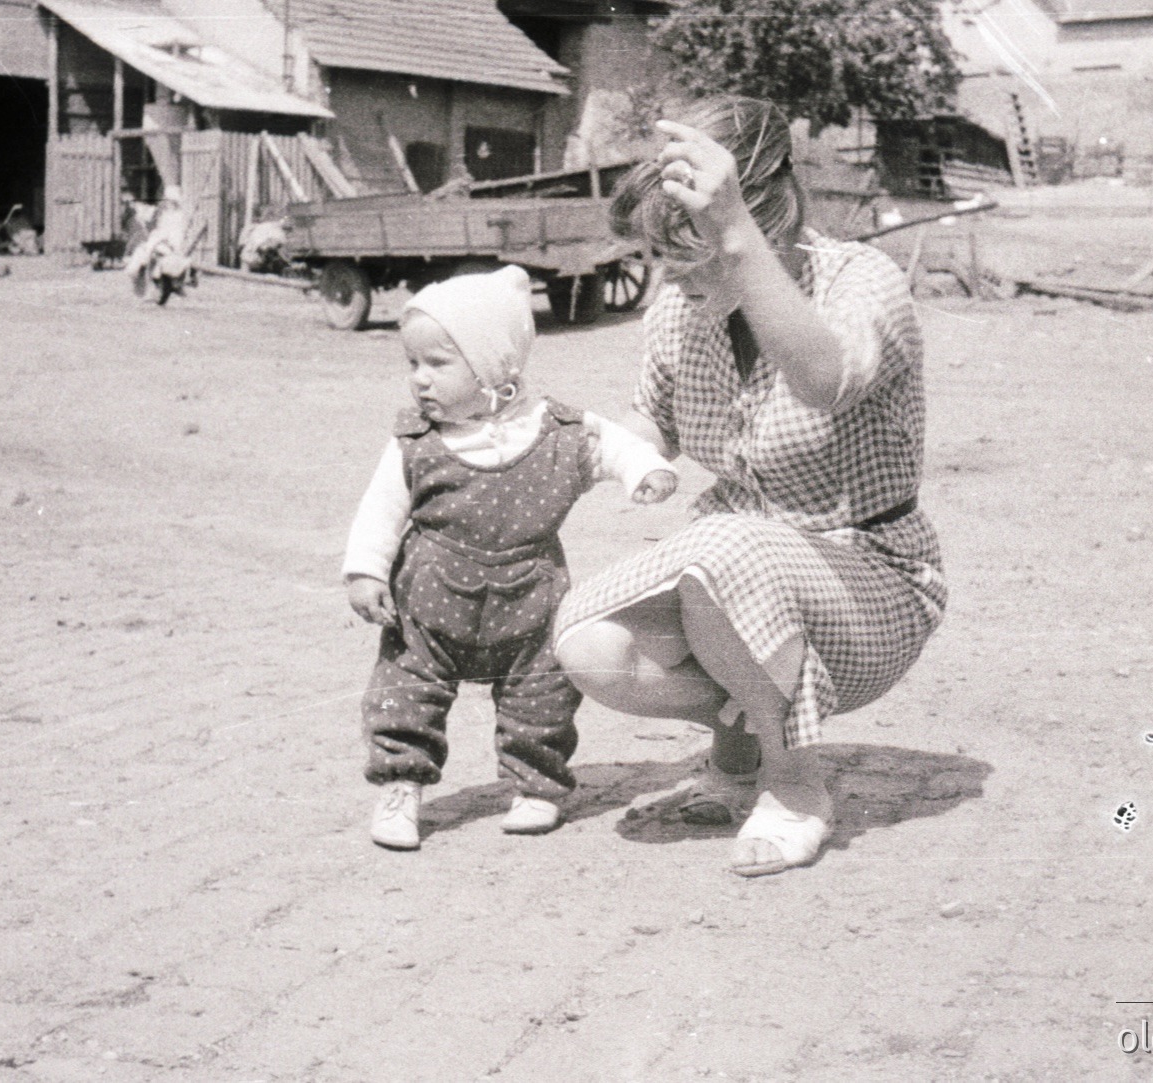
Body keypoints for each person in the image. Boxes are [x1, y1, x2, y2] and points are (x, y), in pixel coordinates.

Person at [553, 97, 947, 877]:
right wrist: (570, 449)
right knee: (590, 645)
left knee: (724, 547)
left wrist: (734, 238)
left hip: (872, 580)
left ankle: (796, 786)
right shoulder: (679, 310)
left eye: (687, 250)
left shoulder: (860, 282)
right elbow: (655, 420)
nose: (665, 275)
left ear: (753, 220)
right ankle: (733, 767)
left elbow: (824, 378)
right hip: (740, 565)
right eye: (658, 255)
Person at [344, 265, 678, 851]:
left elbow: (612, 443)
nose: (419, 380)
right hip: (429, 606)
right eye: (412, 365)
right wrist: (366, 570)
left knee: (542, 690)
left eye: (436, 364)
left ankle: (536, 785)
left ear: (494, 366)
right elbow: (381, 509)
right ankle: (400, 784)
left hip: (530, 601)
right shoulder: (416, 444)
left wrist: (644, 469)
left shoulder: (556, 432)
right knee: (405, 690)